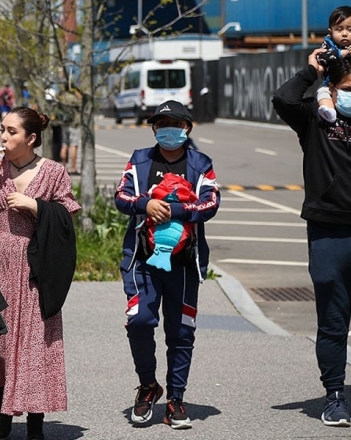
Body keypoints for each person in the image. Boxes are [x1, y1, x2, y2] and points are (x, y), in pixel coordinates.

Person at [0, 107, 80, 440]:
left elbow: (66, 219)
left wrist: (36, 206)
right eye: (2, 129)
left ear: (31, 138)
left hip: (36, 263)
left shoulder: (53, 171)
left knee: (34, 344)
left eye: (11, 131)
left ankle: (35, 424)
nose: (3, 137)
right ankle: (3, 407)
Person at [114, 100, 220, 430]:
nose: (167, 130)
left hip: (184, 264)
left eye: (174, 124)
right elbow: (121, 197)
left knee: (181, 331)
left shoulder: (201, 163)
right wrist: (146, 204)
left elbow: (211, 203)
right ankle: (148, 385)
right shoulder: (140, 159)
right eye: (160, 124)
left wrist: (177, 211)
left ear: (187, 128)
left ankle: (176, 399)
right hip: (142, 261)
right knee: (140, 321)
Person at [273, 52, 351, 427]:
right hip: (329, 232)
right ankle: (335, 396)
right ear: (333, 90)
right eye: (350, 89)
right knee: (333, 322)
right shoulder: (314, 118)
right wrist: (313, 70)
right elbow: (283, 99)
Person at [315, 6, 351, 123]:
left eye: (350, 29)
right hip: (331, 83)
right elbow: (321, 57)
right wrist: (340, 53)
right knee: (322, 92)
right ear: (331, 32)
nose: (344, 34)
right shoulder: (328, 44)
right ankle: (329, 111)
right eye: (339, 30)